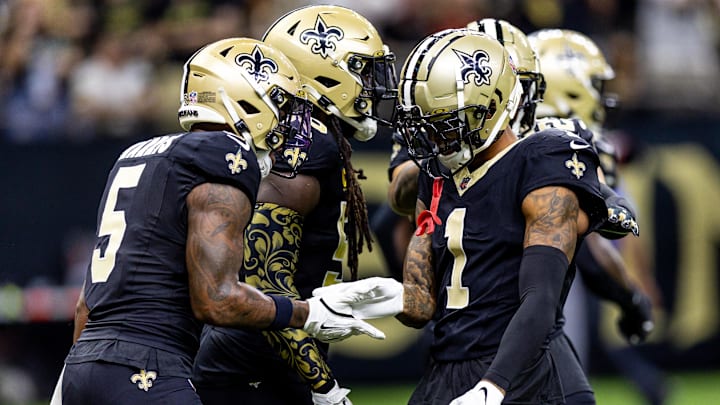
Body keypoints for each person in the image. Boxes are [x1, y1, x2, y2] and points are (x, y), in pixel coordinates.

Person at [49, 37, 389, 404]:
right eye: (280, 103)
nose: (290, 124)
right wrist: (307, 314)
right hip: (150, 368)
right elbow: (216, 300)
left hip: (85, 366)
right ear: (246, 98)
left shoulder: (135, 155)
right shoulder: (225, 154)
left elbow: (87, 305)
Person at [327, 28, 608, 404]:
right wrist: (384, 298)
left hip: (525, 372)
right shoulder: (437, 172)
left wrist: (495, 385)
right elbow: (422, 305)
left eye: (443, 122)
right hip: (448, 366)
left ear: (490, 108)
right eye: (423, 122)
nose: (432, 137)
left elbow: (540, 296)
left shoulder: (543, 159)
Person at [191, 6, 398, 405]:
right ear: (325, 69)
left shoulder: (313, 138)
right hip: (250, 362)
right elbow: (260, 276)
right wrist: (324, 386)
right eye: (362, 69)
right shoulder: (306, 141)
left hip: (267, 354)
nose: (370, 85)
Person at [530, 28, 665, 404]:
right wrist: (631, 301)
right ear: (565, 88)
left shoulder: (498, 141)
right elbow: (592, 250)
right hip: (525, 317)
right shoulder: (569, 153)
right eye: (591, 84)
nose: (601, 96)